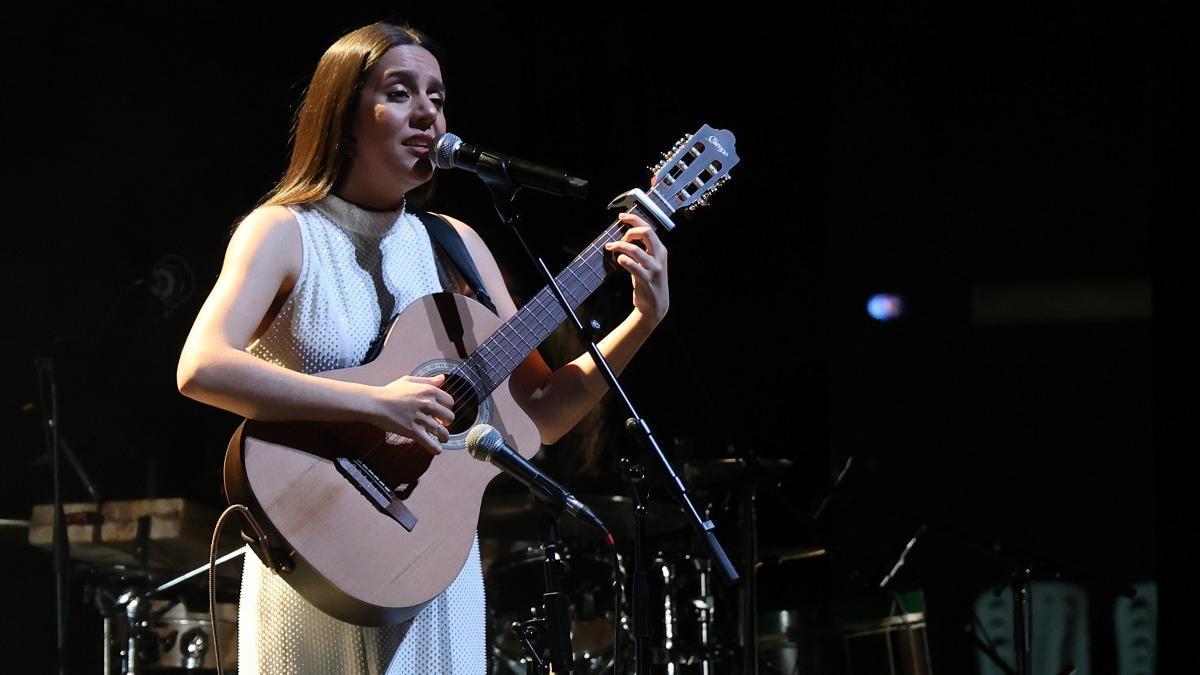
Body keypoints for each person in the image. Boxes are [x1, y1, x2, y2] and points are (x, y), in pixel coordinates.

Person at [176, 21, 669, 673]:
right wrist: (374, 403)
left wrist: (642, 320)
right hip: (317, 554)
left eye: (437, 97)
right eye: (401, 92)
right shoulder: (283, 232)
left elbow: (544, 410)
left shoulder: (456, 245)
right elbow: (201, 365)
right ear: (344, 114)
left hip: (430, 565)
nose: (427, 113)